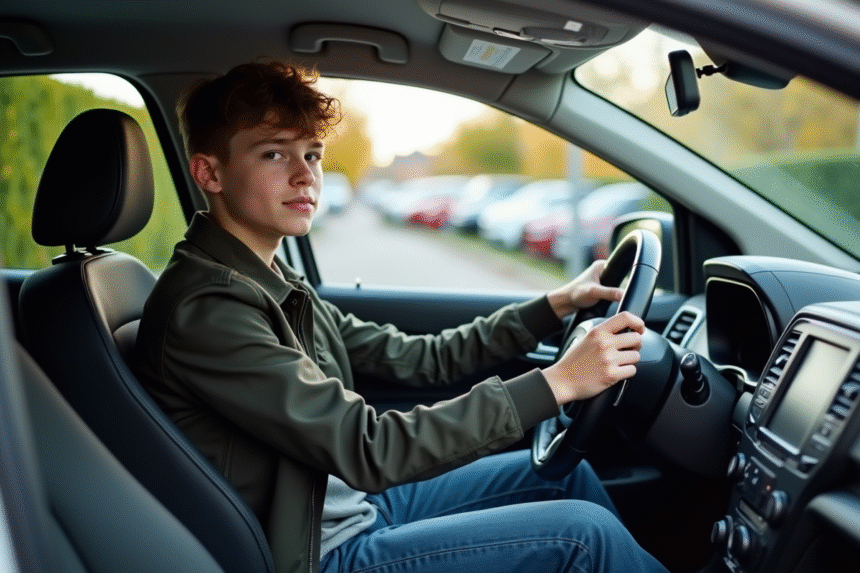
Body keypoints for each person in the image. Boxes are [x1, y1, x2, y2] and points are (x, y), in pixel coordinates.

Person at [135, 61, 667, 573]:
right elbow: (368, 447)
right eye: (275, 154)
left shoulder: (273, 285)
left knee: (566, 479)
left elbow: (421, 359)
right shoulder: (208, 309)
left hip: (347, 506)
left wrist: (554, 306)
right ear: (210, 172)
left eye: (314, 155)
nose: (305, 176)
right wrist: (558, 382)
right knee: (582, 537)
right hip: (316, 551)